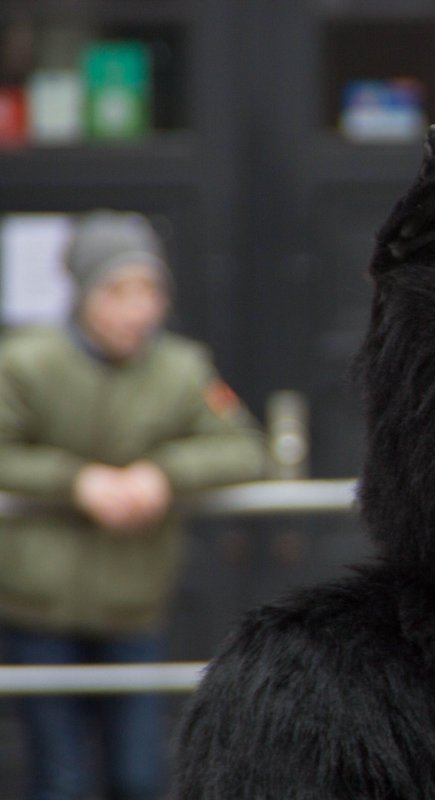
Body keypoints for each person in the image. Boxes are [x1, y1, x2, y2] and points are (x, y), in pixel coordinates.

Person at [0, 210, 266, 800]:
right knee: (60, 779)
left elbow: (245, 449)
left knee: (138, 775)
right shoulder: (25, 363)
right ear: (82, 293)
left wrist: (162, 475)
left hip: (133, 603)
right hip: (39, 604)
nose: (136, 309)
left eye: (149, 290)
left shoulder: (181, 368)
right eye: (118, 291)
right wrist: (76, 482)